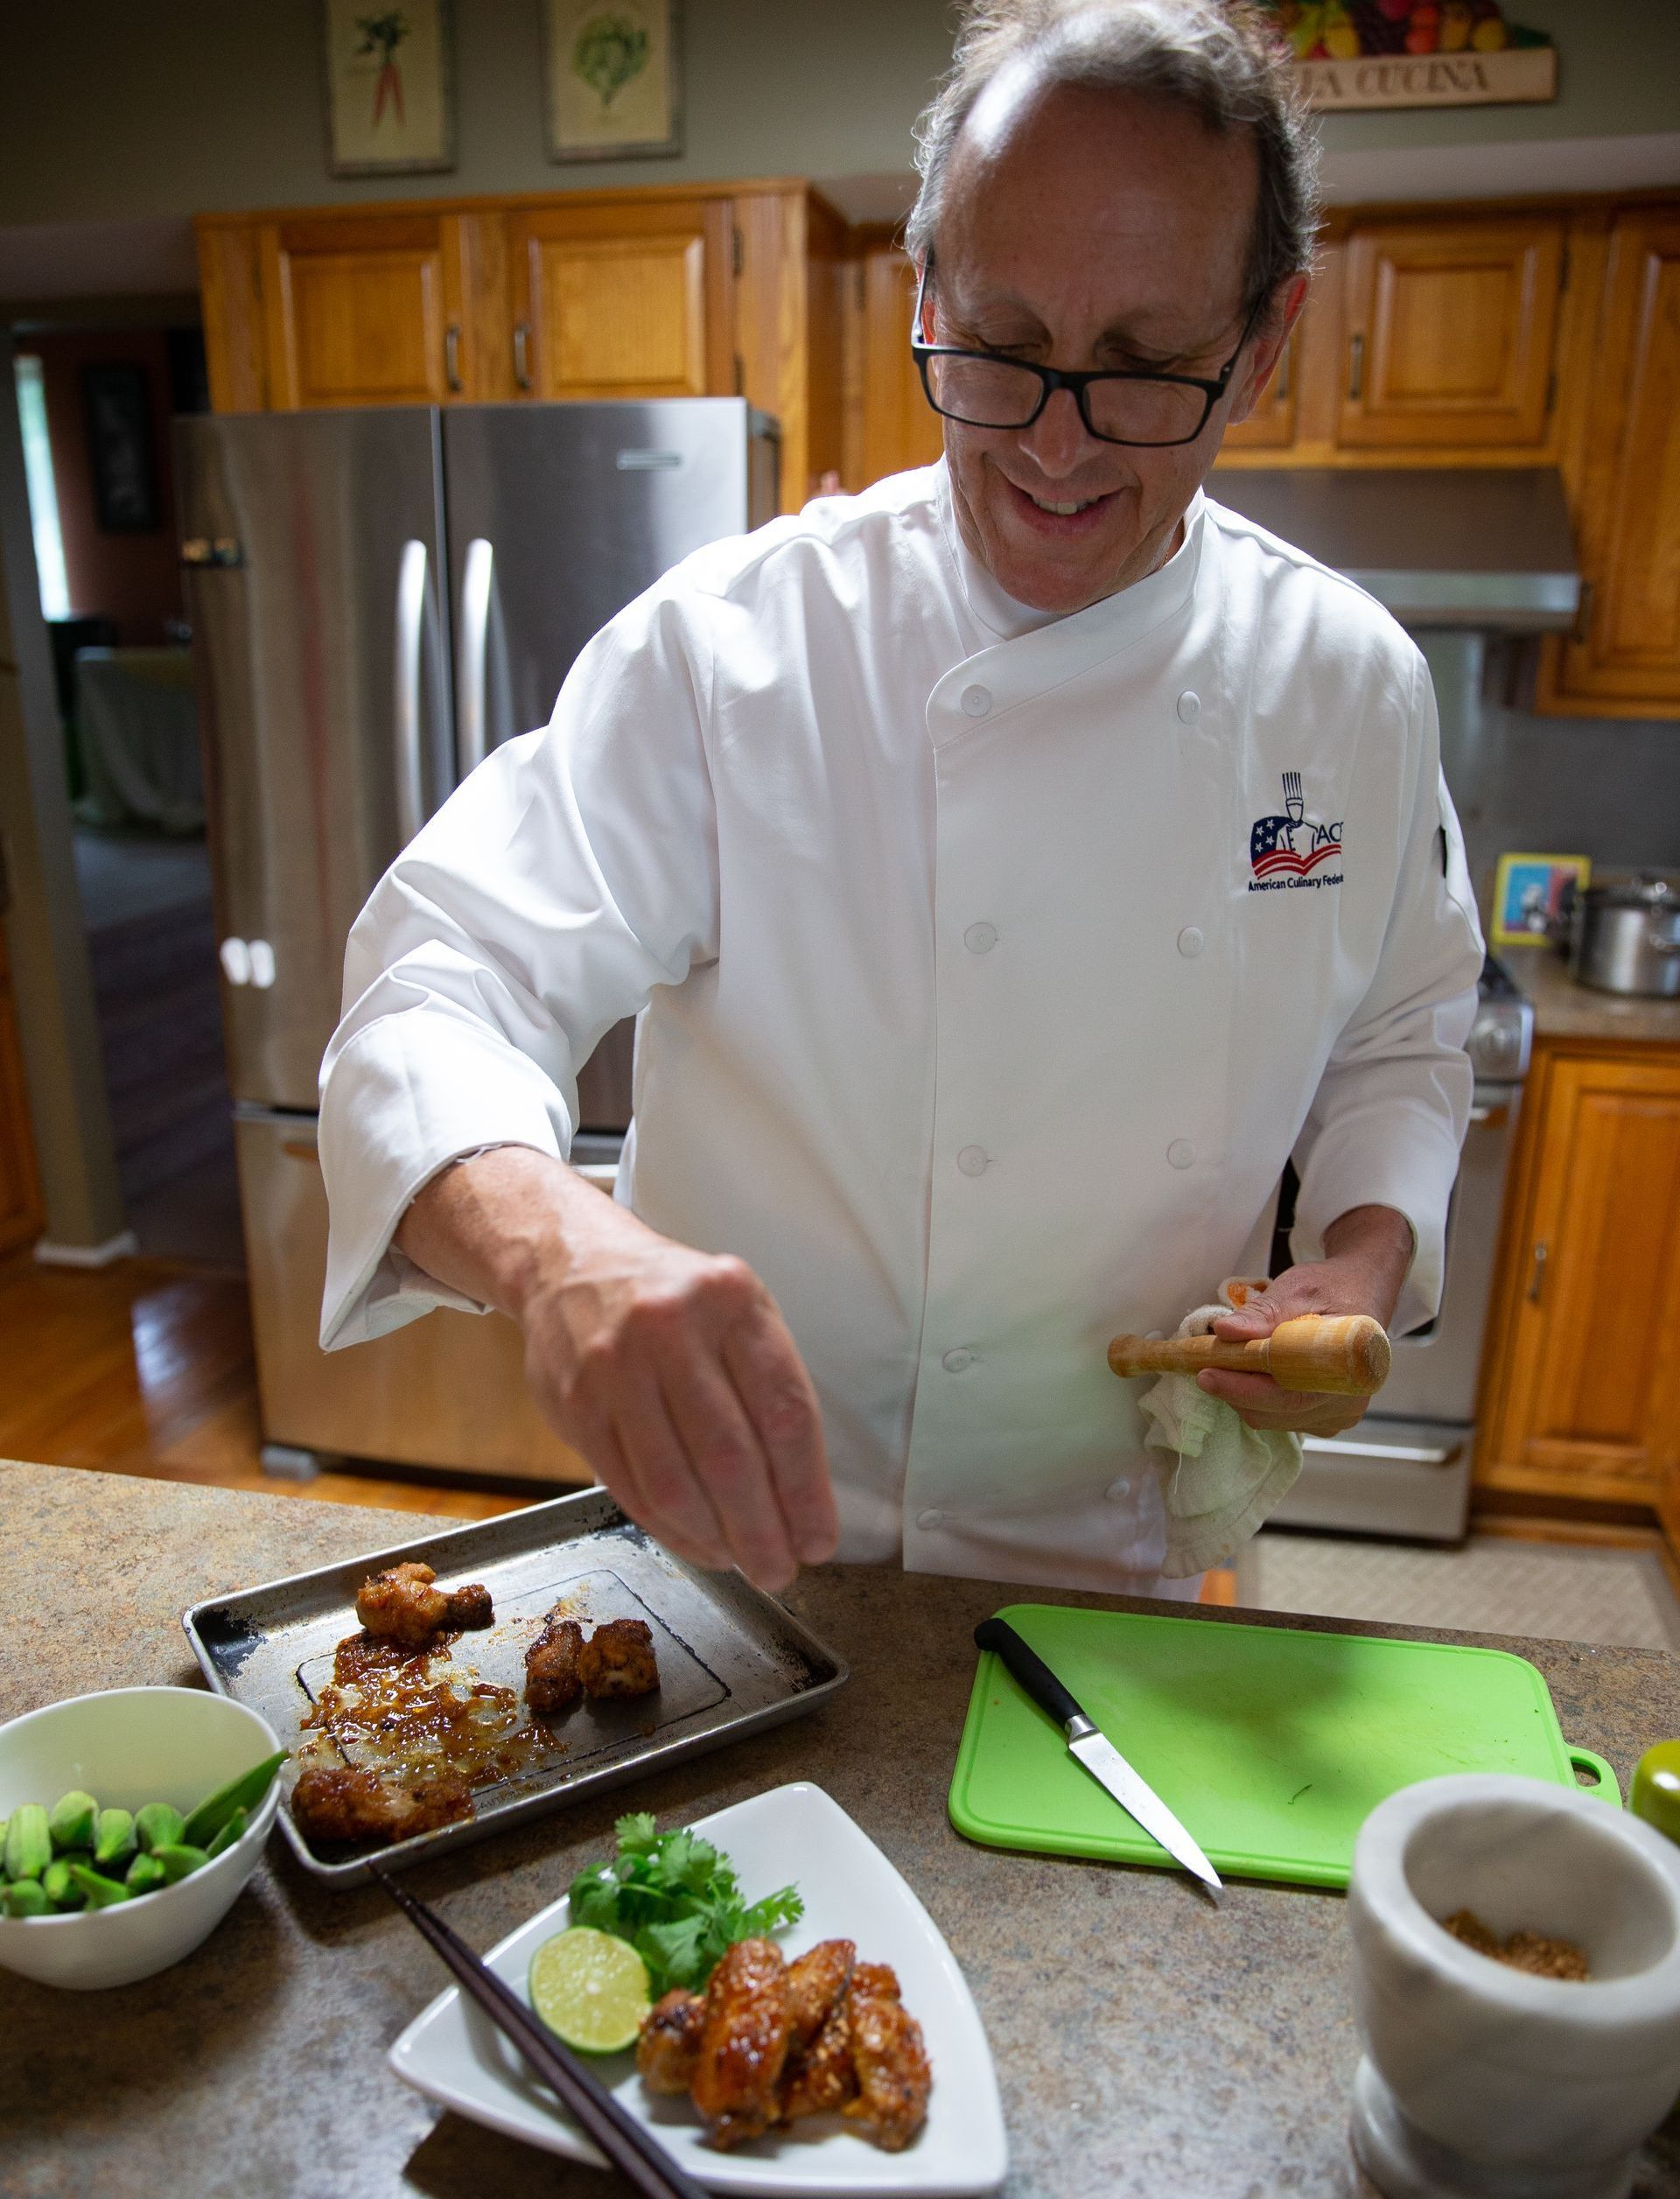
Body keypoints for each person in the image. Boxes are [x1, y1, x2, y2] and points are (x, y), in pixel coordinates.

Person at [318, 0, 1483, 1600]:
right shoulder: (737, 646)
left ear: (1262, 341)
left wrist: (1359, 1254)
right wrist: (554, 1248)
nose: (1056, 446)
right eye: (1000, 347)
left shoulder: (1348, 684)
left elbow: (1407, 1031)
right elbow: (434, 985)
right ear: (925, 290)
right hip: (719, 1554)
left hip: (1102, 1562)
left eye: (1144, 369)